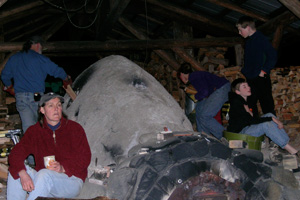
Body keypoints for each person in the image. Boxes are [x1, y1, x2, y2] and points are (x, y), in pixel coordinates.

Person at [7, 92, 91, 200]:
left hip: (71, 180)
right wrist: (22, 174)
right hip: (43, 181)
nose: (56, 109)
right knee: (15, 172)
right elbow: (15, 154)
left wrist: (63, 167)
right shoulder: (35, 131)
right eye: (51, 105)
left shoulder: (74, 129)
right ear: (42, 110)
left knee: (44, 174)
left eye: (59, 105)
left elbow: (85, 157)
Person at [1, 35, 72, 133]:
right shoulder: (40, 59)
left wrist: (9, 87)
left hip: (20, 97)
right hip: (36, 97)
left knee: (28, 128)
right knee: (42, 125)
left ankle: (32, 147)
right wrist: (66, 78)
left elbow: (5, 75)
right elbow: (57, 71)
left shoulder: (15, 58)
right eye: (41, 47)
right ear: (38, 45)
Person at [227, 78, 298, 156]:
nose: (248, 88)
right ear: (238, 91)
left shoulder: (244, 102)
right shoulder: (236, 103)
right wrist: (272, 119)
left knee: (269, 114)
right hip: (239, 135)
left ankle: (285, 145)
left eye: (248, 85)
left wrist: (271, 118)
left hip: (246, 128)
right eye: (244, 87)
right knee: (266, 124)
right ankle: (292, 151)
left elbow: (252, 120)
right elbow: (251, 121)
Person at [236, 16, 277, 118]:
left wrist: (264, 70)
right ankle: (255, 129)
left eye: (241, 30)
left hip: (261, 78)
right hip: (251, 78)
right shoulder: (249, 42)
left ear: (248, 27)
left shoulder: (261, 39)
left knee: (267, 105)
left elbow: (272, 55)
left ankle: (274, 130)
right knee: (251, 104)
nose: (239, 33)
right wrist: (245, 71)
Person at [178, 63, 230, 139]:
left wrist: (196, 96)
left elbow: (204, 92)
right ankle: (204, 137)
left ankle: (225, 136)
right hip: (221, 88)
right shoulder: (196, 75)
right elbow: (207, 91)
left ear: (182, 74)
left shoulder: (193, 76)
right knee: (199, 110)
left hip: (221, 89)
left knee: (205, 116)